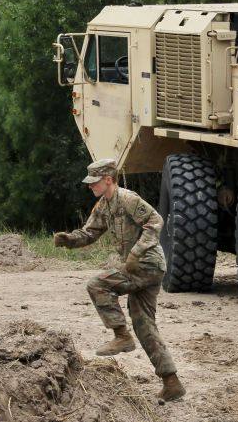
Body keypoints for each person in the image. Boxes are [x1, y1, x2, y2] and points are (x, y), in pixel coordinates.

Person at [53, 158, 185, 402]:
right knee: (145, 326)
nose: (90, 186)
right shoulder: (103, 206)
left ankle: (121, 336)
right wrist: (69, 240)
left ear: (108, 179)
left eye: (94, 182)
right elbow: (90, 233)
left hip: (146, 265)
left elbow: (155, 221)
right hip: (143, 268)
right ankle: (172, 382)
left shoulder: (127, 199)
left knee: (97, 284)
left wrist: (137, 252)